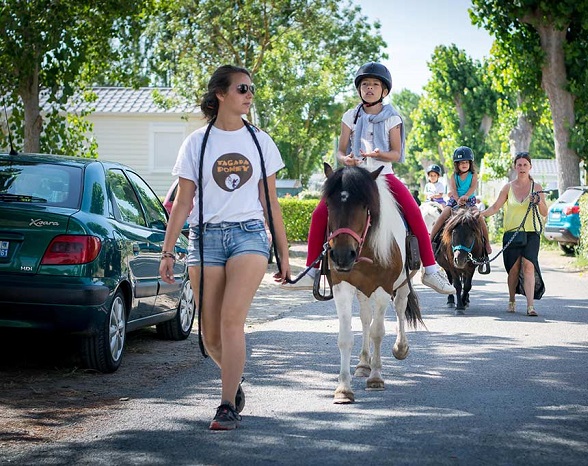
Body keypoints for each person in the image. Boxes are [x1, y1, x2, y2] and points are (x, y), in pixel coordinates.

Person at [159, 65, 290, 430]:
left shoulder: (260, 141)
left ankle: (226, 405)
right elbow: (183, 203)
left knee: (233, 321)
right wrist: (168, 252)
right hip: (205, 238)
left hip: (249, 235)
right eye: (242, 88)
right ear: (221, 94)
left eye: (251, 89)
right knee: (210, 334)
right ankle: (235, 380)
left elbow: (271, 203)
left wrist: (283, 255)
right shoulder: (197, 143)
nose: (249, 94)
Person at [282, 62, 454, 294]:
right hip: (354, 175)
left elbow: (396, 153)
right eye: (365, 84)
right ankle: (311, 269)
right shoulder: (350, 116)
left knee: (414, 211)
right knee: (320, 212)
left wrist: (379, 154)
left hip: (383, 173)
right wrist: (347, 160)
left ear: (384, 90)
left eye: (375, 84)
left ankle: (431, 270)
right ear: (359, 89)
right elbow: (340, 151)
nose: (369, 88)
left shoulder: (393, 117)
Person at [481, 151, 548, 317]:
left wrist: (538, 201)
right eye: (519, 165)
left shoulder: (537, 188)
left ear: (530, 167)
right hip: (512, 235)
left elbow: (545, 212)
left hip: (532, 234)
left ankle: (530, 306)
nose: (522, 168)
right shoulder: (508, 187)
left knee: (529, 266)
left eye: (525, 165)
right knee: (513, 269)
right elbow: (495, 207)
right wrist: (479, 214)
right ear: (515, 167)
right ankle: (512, 299)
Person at [429, 147, 492, 255]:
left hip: (469, 199)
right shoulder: (454, 176)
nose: (464, 164)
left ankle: (486, 242)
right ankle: (430, 240)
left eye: (466, 162)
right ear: (457, 164)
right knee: (444, 214)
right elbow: (453, 189)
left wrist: (466, 196)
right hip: (455, 199)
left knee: (479, 217)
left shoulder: (473, 175)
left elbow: (473, 187)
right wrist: (458, 199)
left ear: (470, 163)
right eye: (461, 162)